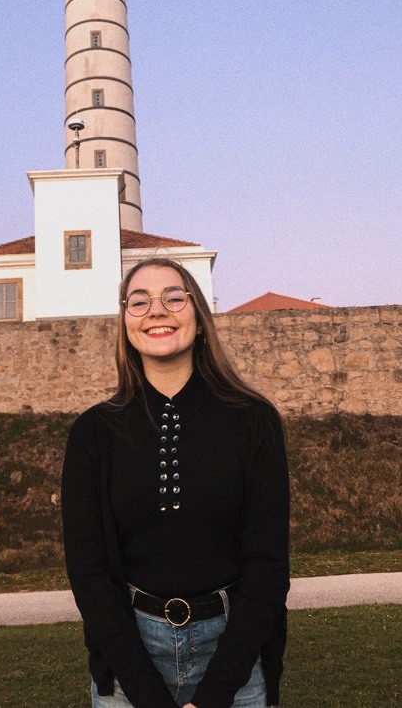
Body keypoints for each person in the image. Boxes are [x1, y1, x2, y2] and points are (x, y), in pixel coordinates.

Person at [61, 258, 290, 708]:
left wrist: (216, 693)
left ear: (199, 319)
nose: (157, 310)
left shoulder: (253, 421)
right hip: (128, 663)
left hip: (233, 659)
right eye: (139, 301)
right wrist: (148, 696)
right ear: (125, 322)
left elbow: (267, 565)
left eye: (174, 297)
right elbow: (90, 577)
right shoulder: (93, 433)